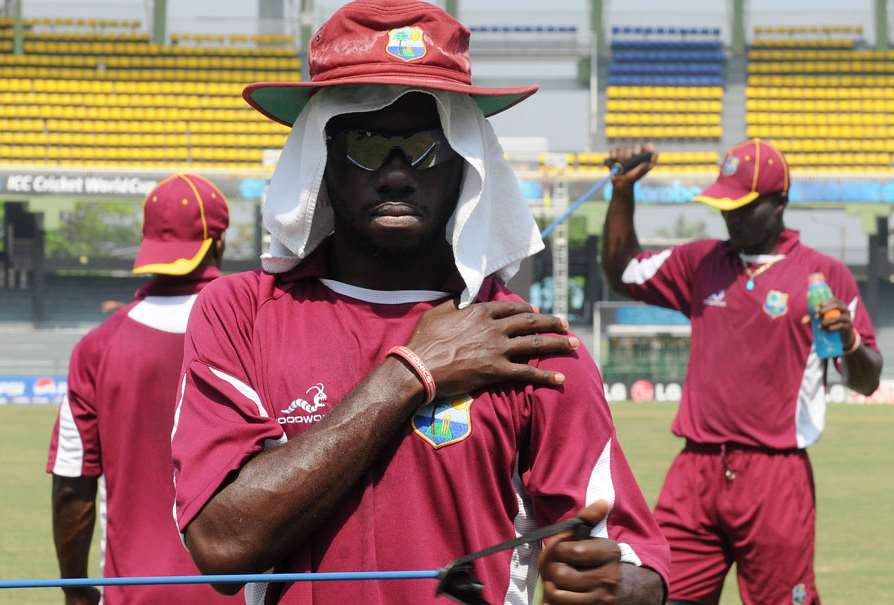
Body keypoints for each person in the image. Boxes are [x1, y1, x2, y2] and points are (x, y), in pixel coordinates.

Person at [170, 2, 669, 604]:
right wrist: (413, 373)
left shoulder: (528, 341)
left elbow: (632, 561)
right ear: (319, 160)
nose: (398, 174)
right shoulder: (241, 313)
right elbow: (222, 545)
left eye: (425, 144)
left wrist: (620, 587)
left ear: (467, 162)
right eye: (365, 143)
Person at [601, 139, 883, 605]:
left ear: (780, 203)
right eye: (724, 205)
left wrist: (849, 339)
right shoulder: (702, 261)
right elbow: (624, 272)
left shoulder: (825, 276)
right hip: (694, 471)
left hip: (775, 476)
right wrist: (623, 193)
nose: (729, 216)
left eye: (743, 206)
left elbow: (867, 378)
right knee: (660, 595)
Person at [47, 174, 239, 605]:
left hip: (133, 593)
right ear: (218, 243)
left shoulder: (96, 347)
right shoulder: (256, 328)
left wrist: (75, 591)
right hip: (243, 591)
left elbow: (71, 488)